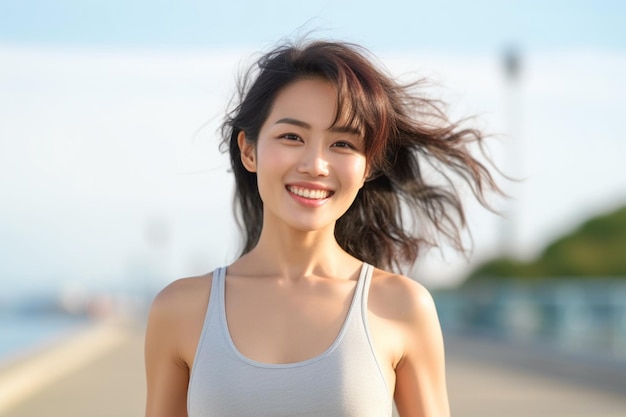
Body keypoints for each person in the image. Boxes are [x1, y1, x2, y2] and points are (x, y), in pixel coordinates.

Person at [144, 39, 500, 417]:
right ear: (249, 150)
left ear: (368, 167)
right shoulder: (181, 309)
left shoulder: (402, 306)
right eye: (292, 137)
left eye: (343, 144)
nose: (316, 164)